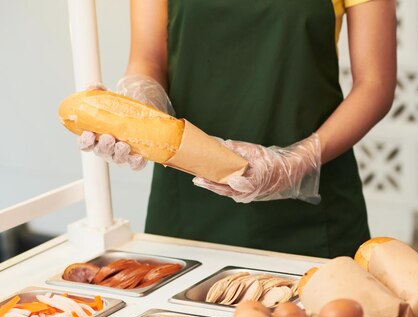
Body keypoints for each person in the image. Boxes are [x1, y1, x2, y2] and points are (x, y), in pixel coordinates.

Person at [79, 0, 397, 258]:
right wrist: (140, 106)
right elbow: (148, 59)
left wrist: (296, 162)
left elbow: (375, 85)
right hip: (188, 202)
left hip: (311, 205)